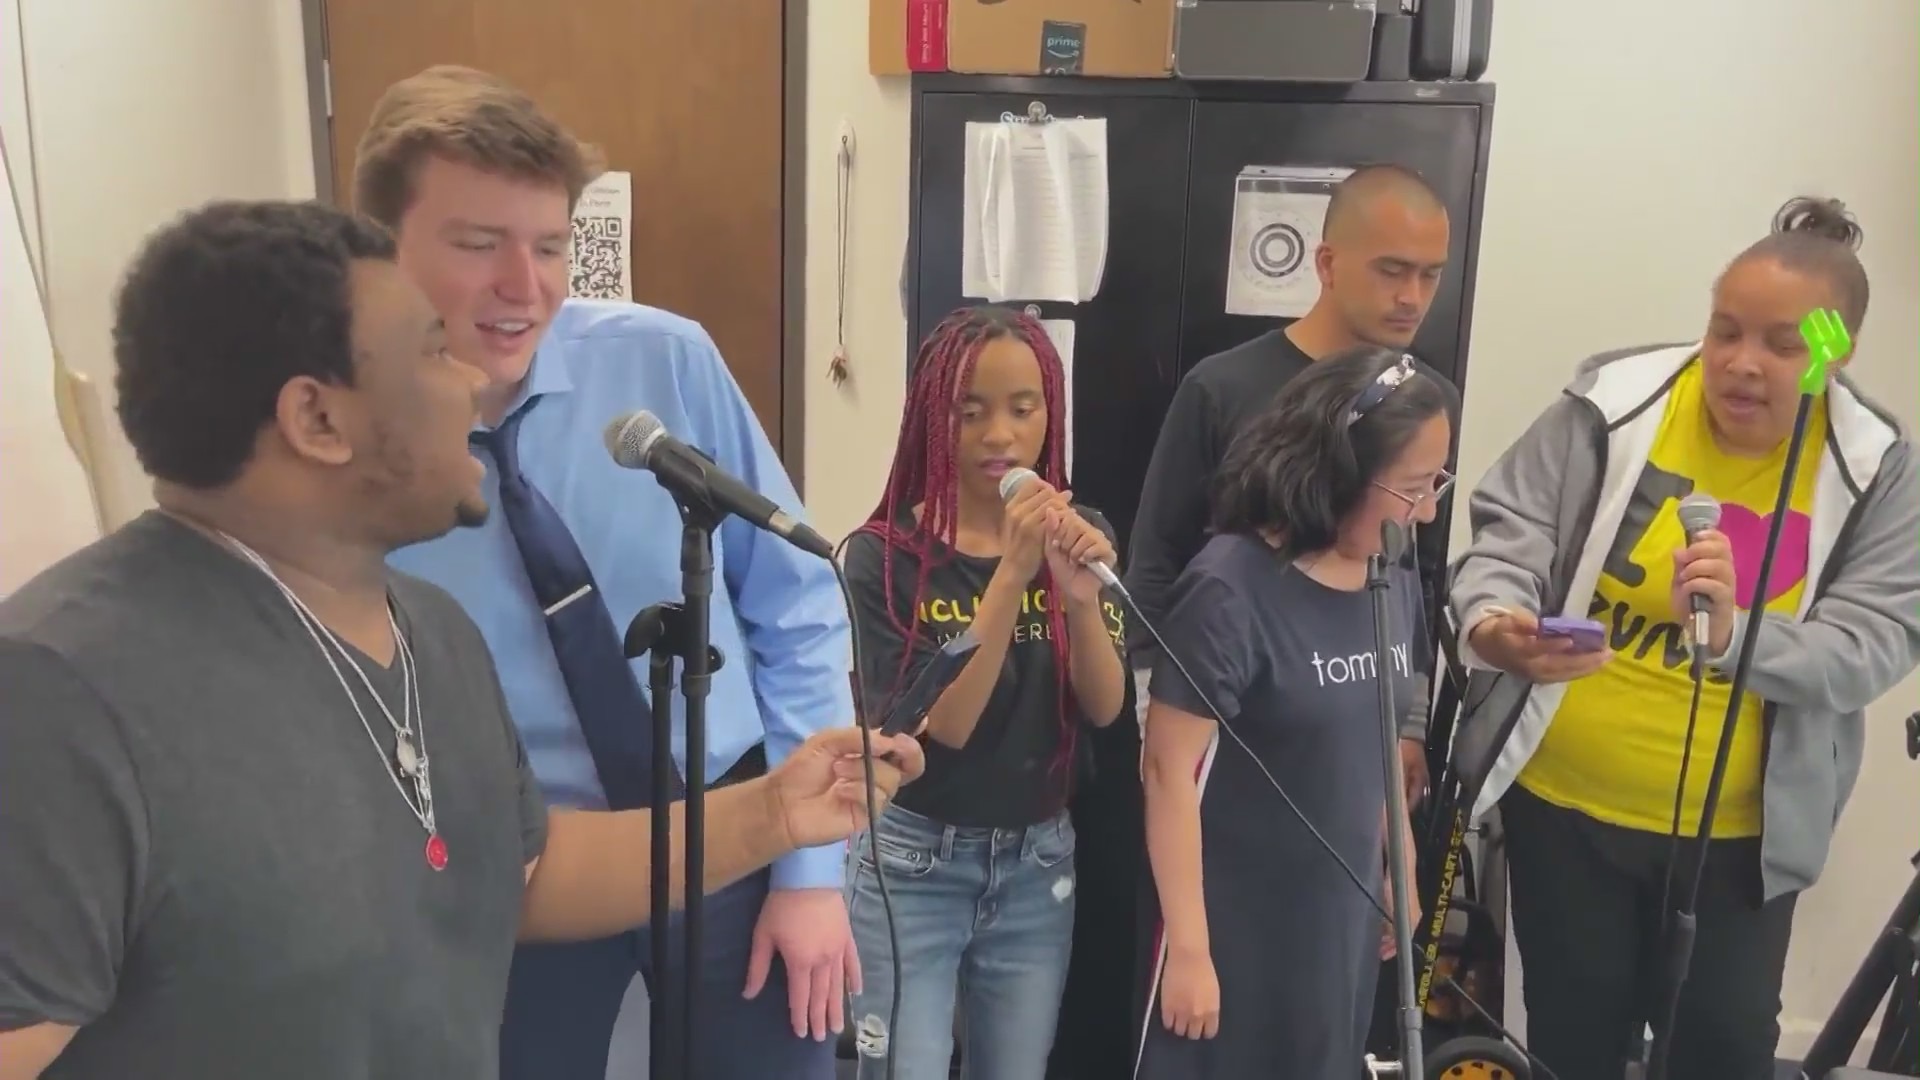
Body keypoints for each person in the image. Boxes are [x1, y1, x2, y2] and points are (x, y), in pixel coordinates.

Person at [0, 200, 924, 1080]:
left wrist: (775, 817)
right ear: (317, 420)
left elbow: (520, 870)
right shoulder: (62, 695)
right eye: (434, 351)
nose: (473, 381)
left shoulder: (427, 631)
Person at [355, 67, 857, 1079]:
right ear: (380, 250)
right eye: (476, 244)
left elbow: (794, 603)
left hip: (730, 819)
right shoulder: (348, 439)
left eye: (548, 247)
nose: (524, 286)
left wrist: (811, 874)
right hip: (528, 863)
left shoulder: (663, 363)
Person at [1448, 196, 1920, 1080]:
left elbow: (1870, 648)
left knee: (1724, 1051)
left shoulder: (1877, 469)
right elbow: (1508, 530)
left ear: (1834, 350)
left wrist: (1741, 638)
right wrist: (1496, 625)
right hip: (1567, 814)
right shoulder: (1615, 403)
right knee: (1571, 1044)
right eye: (1725, 331)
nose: (1742, 365)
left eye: (1783, 345)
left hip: (1736, 845)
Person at [1134, 347, 1450, 1080]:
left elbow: (1374, 736)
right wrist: (1188, 948)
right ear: (1337, 476)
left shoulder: (1390, 574)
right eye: (1412, 489)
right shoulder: (1228, 589)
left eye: (1435, 482)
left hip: (1336, 920)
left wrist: (1397, 859)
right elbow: (1166, 771)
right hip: (1231, 920)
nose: (1429, 510)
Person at [840, 306, 1129, 1079]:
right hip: (913, 863)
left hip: (1039, 860)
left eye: (1022, 409)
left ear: (1050, 417)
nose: (1000, 435)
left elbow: (1106, 707)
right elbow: (945, 731)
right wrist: (1011, 573)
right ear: (934, 422)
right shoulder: (880, 559)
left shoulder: (1082, 533)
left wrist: (1074, 596)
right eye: (971, 414)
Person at [1124, 164, 1461, 805]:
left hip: (1358, 712)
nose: (1413, 296)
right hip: (1229, 709)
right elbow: (1157, 560)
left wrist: (1410, 723)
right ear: (1328, 264)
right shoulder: (1221, 388)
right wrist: (1153, 710)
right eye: (1392, 270)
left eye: (1430, 274)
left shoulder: (1430, 401)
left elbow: (1422, 566)